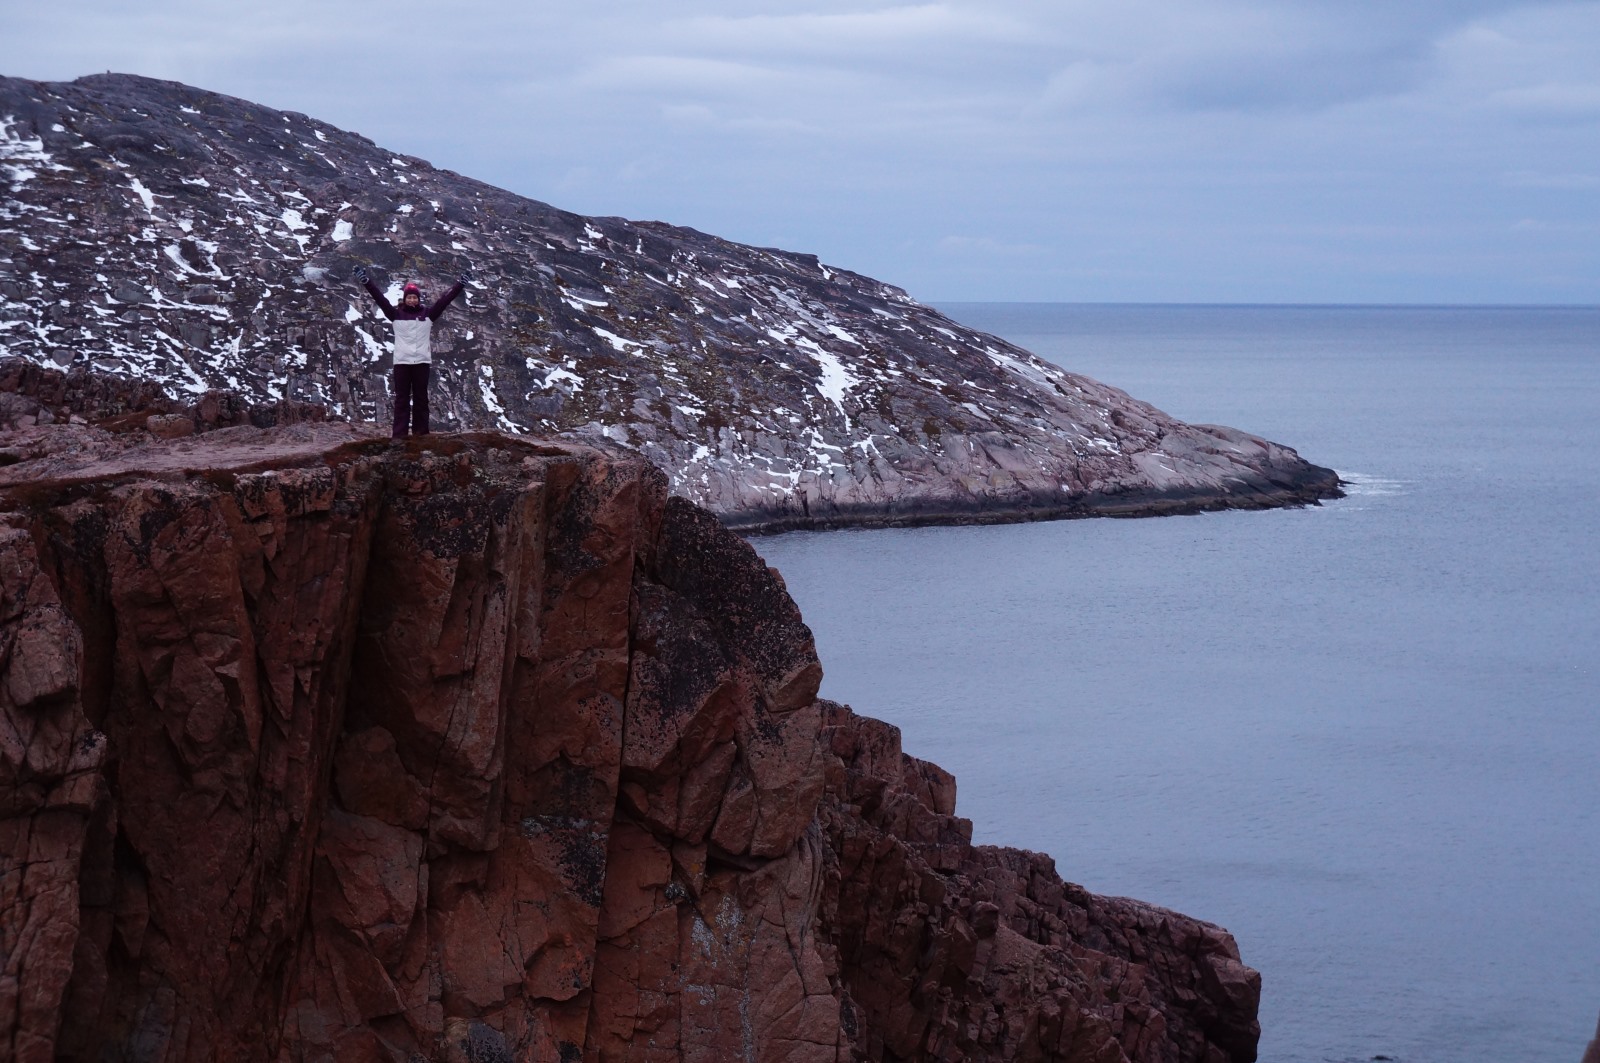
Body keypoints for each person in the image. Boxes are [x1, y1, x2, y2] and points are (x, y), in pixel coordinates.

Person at [355, 266, 469, 438]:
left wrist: (460, 284)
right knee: (402, 400)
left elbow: (445, 300)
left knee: (421, 399)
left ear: (418, 299)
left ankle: (421, 433)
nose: (412, 300)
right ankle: (399, 435)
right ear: (405, 299)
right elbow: (379, 298)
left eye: (415, 297)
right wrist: (366, 281)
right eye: (409, 297)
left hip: (421, 362)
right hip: (402, 363)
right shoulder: (395, 315)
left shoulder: (428, 315)